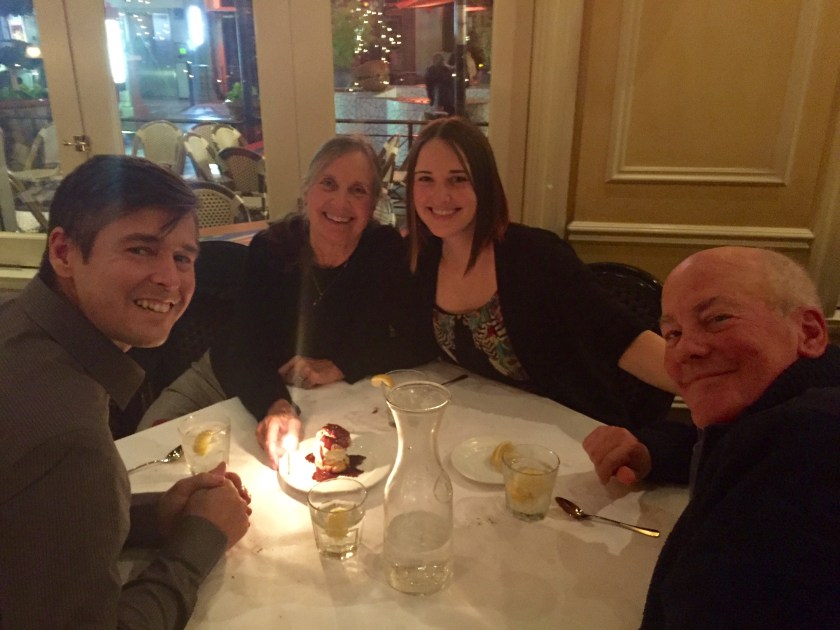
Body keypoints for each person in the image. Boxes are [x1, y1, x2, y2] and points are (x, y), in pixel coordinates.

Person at [0, 155, 251, 628]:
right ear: (63, 252)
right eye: (140, 249)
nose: (170, 279)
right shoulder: (69, 438)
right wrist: (199, 541)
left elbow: (32, 520)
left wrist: (155, 516)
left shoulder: (14, 323)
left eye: (183, 258)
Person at [141, 136, 432, 468]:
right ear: (307, 191)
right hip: (227, 380)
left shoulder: (384, 251)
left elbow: (419, 341)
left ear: (373, 203)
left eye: (358, 190)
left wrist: (341, 365)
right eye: (328, 184)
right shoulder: (271, 248)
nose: (341, 202)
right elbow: (242, 347)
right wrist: (275, 404)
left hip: (320, 400)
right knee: (146, 454)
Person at [591, 246, 840, 627]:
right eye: (672, 333)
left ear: (809, 331)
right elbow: (729, 442)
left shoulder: (810, 446)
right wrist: (651, 452)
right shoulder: (784, 411)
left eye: (718, 319)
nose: (685, 350)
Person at [404, 116, 675, 426]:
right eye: (425, 179)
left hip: (563, 431)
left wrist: (708, 383)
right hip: (478, 425)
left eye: (458, 179)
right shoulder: (421, 260)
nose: (440, 196)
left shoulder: (536, 256)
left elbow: (621, 338)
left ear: (485, 184)